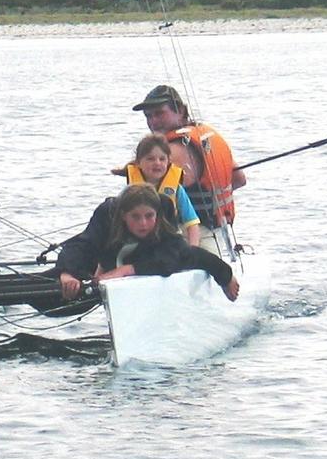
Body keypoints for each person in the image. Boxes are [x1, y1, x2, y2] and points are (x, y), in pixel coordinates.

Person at [129, 84, 246, 248]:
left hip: (191, 235)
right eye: (148, 116)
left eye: (159, 113)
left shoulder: (171, 151)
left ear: (181, 111)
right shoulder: (204, 136)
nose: (153, 121)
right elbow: (239, 179)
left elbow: (143, 198)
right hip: (219, 230)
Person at [90, 184, 238, 300]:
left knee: (189, 255)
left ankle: (228, 276)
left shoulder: (168, 236)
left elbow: (170, 263)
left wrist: (126, 270)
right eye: (135, 217)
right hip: (131, 259)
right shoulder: (112, 227)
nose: (143, 223)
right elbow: (95, 253)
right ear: (124, 216)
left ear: (156, 215)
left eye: (149, 216)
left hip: (176, 258)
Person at [124, 132, 201, 247]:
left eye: (162, 159)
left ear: (168, 162)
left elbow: (192, 223)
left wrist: (193, 249)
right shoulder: (129, 191)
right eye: (150, 159)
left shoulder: (176, 189)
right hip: (138, 243)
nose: (157, 163)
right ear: (138, 163)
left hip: (168, 243)